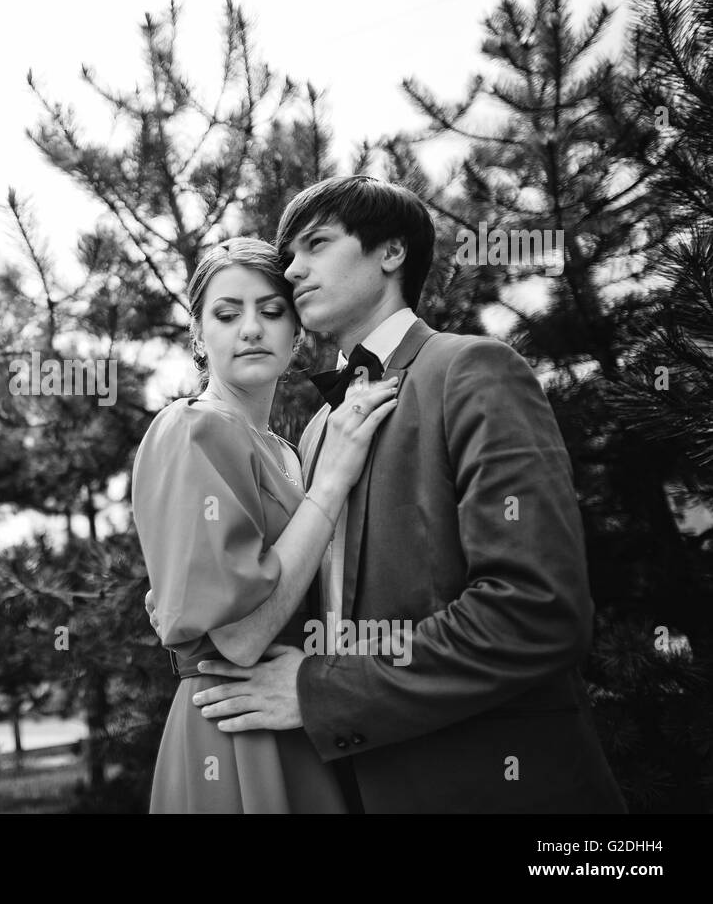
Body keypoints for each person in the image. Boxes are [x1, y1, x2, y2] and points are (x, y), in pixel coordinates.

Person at [185, 176, 627, 813]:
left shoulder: (474, 371)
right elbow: (313, 608)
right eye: (288, 257)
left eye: (317, 244)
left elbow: (535, 610)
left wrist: (319, 693)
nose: (294, 269)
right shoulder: (315, 433)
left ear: (391, 253)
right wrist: (198, 594)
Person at [132, 236, 397, 813]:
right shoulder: (192, 428)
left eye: (272, 311)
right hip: (232, 728)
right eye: (227, 314)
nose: (251, 328)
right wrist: (331, 486)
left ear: (296, 332)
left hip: (298, 712)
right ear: (198, 336)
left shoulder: (288, 450)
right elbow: (243, 638)